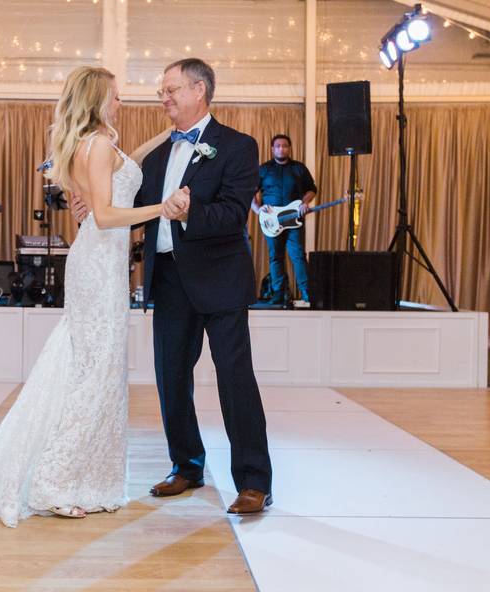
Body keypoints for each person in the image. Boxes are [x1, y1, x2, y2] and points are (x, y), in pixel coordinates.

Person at [0, 67, 172, 527]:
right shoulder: (96, 145)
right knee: (92, 376)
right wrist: (163, 208)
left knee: (89, 370)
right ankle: (54, 482)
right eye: (115, 96)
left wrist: (165, 136)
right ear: (98, 99)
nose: (121, 103)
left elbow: (123, 170)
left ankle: (80, 476)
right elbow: (105, 214)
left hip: (100, 266)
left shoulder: (95, 145)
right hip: (97, 267)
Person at [73, 58, 273, 515]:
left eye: (171, 90)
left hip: (221, 281)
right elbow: (127, 201)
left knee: (235, 381)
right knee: (171, 380)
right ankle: (186, 466)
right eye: (163, 91)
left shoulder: (238, 146)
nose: (164, 98)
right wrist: (86, 191)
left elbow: (232, 214)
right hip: (168, 280)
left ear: (199, 90)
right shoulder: (159, 156)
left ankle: (255, 481)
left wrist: (189, 214)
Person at [251, 134, 316, 305]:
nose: (282, 148)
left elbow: (311, 189)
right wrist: (257, 209)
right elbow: (249, 191)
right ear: (272, 149)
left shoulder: (299, 168)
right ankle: (278, 294)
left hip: (294, 220)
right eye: (278, 146)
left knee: (298, 256)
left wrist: (304, 203)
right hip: (271, 222)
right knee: (275, 257)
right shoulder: (263, 169)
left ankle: (307, 294)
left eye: (285, 145)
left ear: (289, 148)